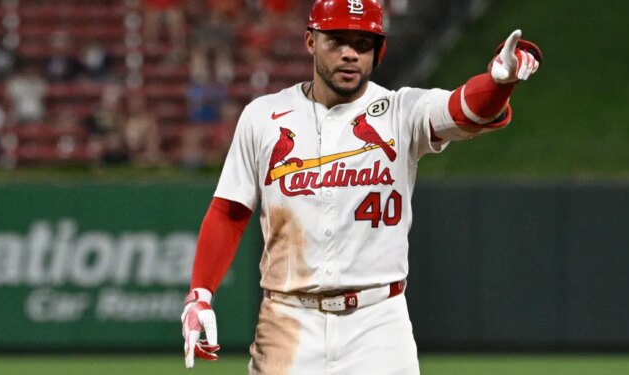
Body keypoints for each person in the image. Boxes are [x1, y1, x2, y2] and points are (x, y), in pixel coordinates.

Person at [181, 0, 541, 374]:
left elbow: (464, 109)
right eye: (337, 40)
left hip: (378, 324)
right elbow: (230, 210)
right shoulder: (264, 116)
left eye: (363, 43)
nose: (350, 53)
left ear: (378, 50)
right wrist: (200, 294)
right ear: (310, 41)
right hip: (287, 321)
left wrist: (500, 83)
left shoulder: (403, 111)